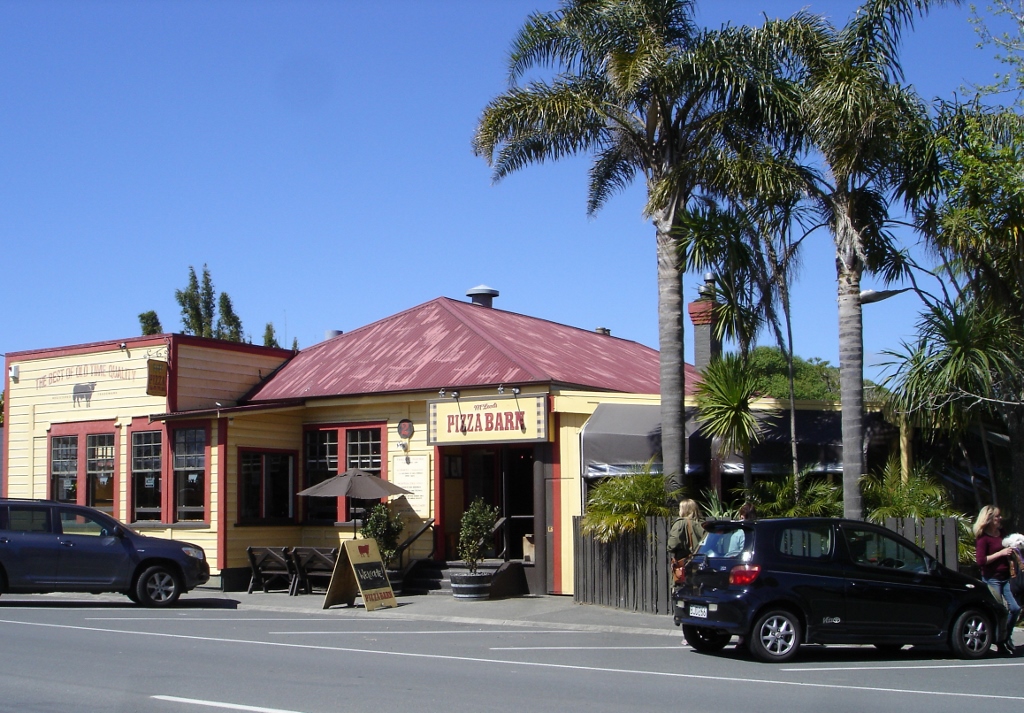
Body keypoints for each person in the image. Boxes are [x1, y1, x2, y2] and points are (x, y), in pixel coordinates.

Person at [974, 505, 1021, 656]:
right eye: (997, 516)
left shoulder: (1002, 533)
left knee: (1015, 608)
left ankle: (1005, 637)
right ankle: (999, 642)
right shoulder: (983, 538)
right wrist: (1000, 553)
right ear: (989, 519)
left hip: (1006, 577)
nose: (1000, 519)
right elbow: (981, 561)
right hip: (991, 578)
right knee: (999, 610)